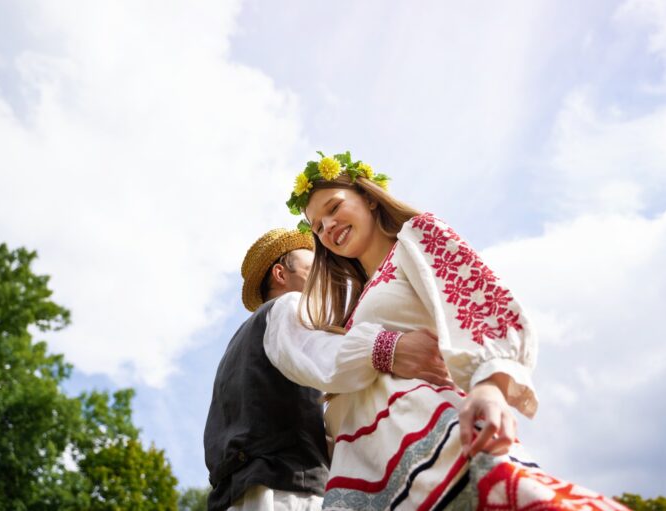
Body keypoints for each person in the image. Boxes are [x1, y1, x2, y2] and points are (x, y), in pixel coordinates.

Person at [265, 152, 631, 510]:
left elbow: (480, 301)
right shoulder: (356, 309)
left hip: (438, 442)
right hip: (373, 478)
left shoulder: (414, 236)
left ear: (368, 198)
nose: (327, 227)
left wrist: (490, 387)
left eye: (333, 208)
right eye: (316, 226)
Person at [204, 228, 450, 511]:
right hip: (285, 493)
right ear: (281, 274)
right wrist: (392, 347)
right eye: (312, 269)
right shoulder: (288, 306)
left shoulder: (238, 348)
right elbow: (322, 355)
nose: (322, 279)